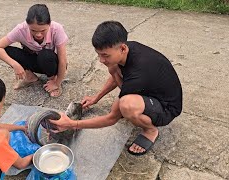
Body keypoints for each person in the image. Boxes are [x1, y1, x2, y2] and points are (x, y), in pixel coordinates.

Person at [50, 21, 182, 156]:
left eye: (105, 55)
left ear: (123, 48)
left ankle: (150, 130)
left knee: (127, 105)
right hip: (150, 90)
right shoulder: (128, 48)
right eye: (99, 54)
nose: (101, 60)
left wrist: (72, 124)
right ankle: (139, 104)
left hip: (167, 108)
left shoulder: (138, 74)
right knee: (113, 66)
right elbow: (115, 75)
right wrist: (95, 98)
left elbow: (111, 118)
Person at [0, 4, 68, 97]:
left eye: (43, 30)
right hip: (34, 61)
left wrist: (57, 82)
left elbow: (63, 60)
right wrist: (15, 65)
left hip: (51, 63)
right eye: (33, 30)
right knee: (7, 50)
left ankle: (53, 79)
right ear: (27, 25)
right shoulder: (21, 29)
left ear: (49, 24)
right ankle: (29, 77)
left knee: (45, 55)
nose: (38, 34)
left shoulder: (57, 29)